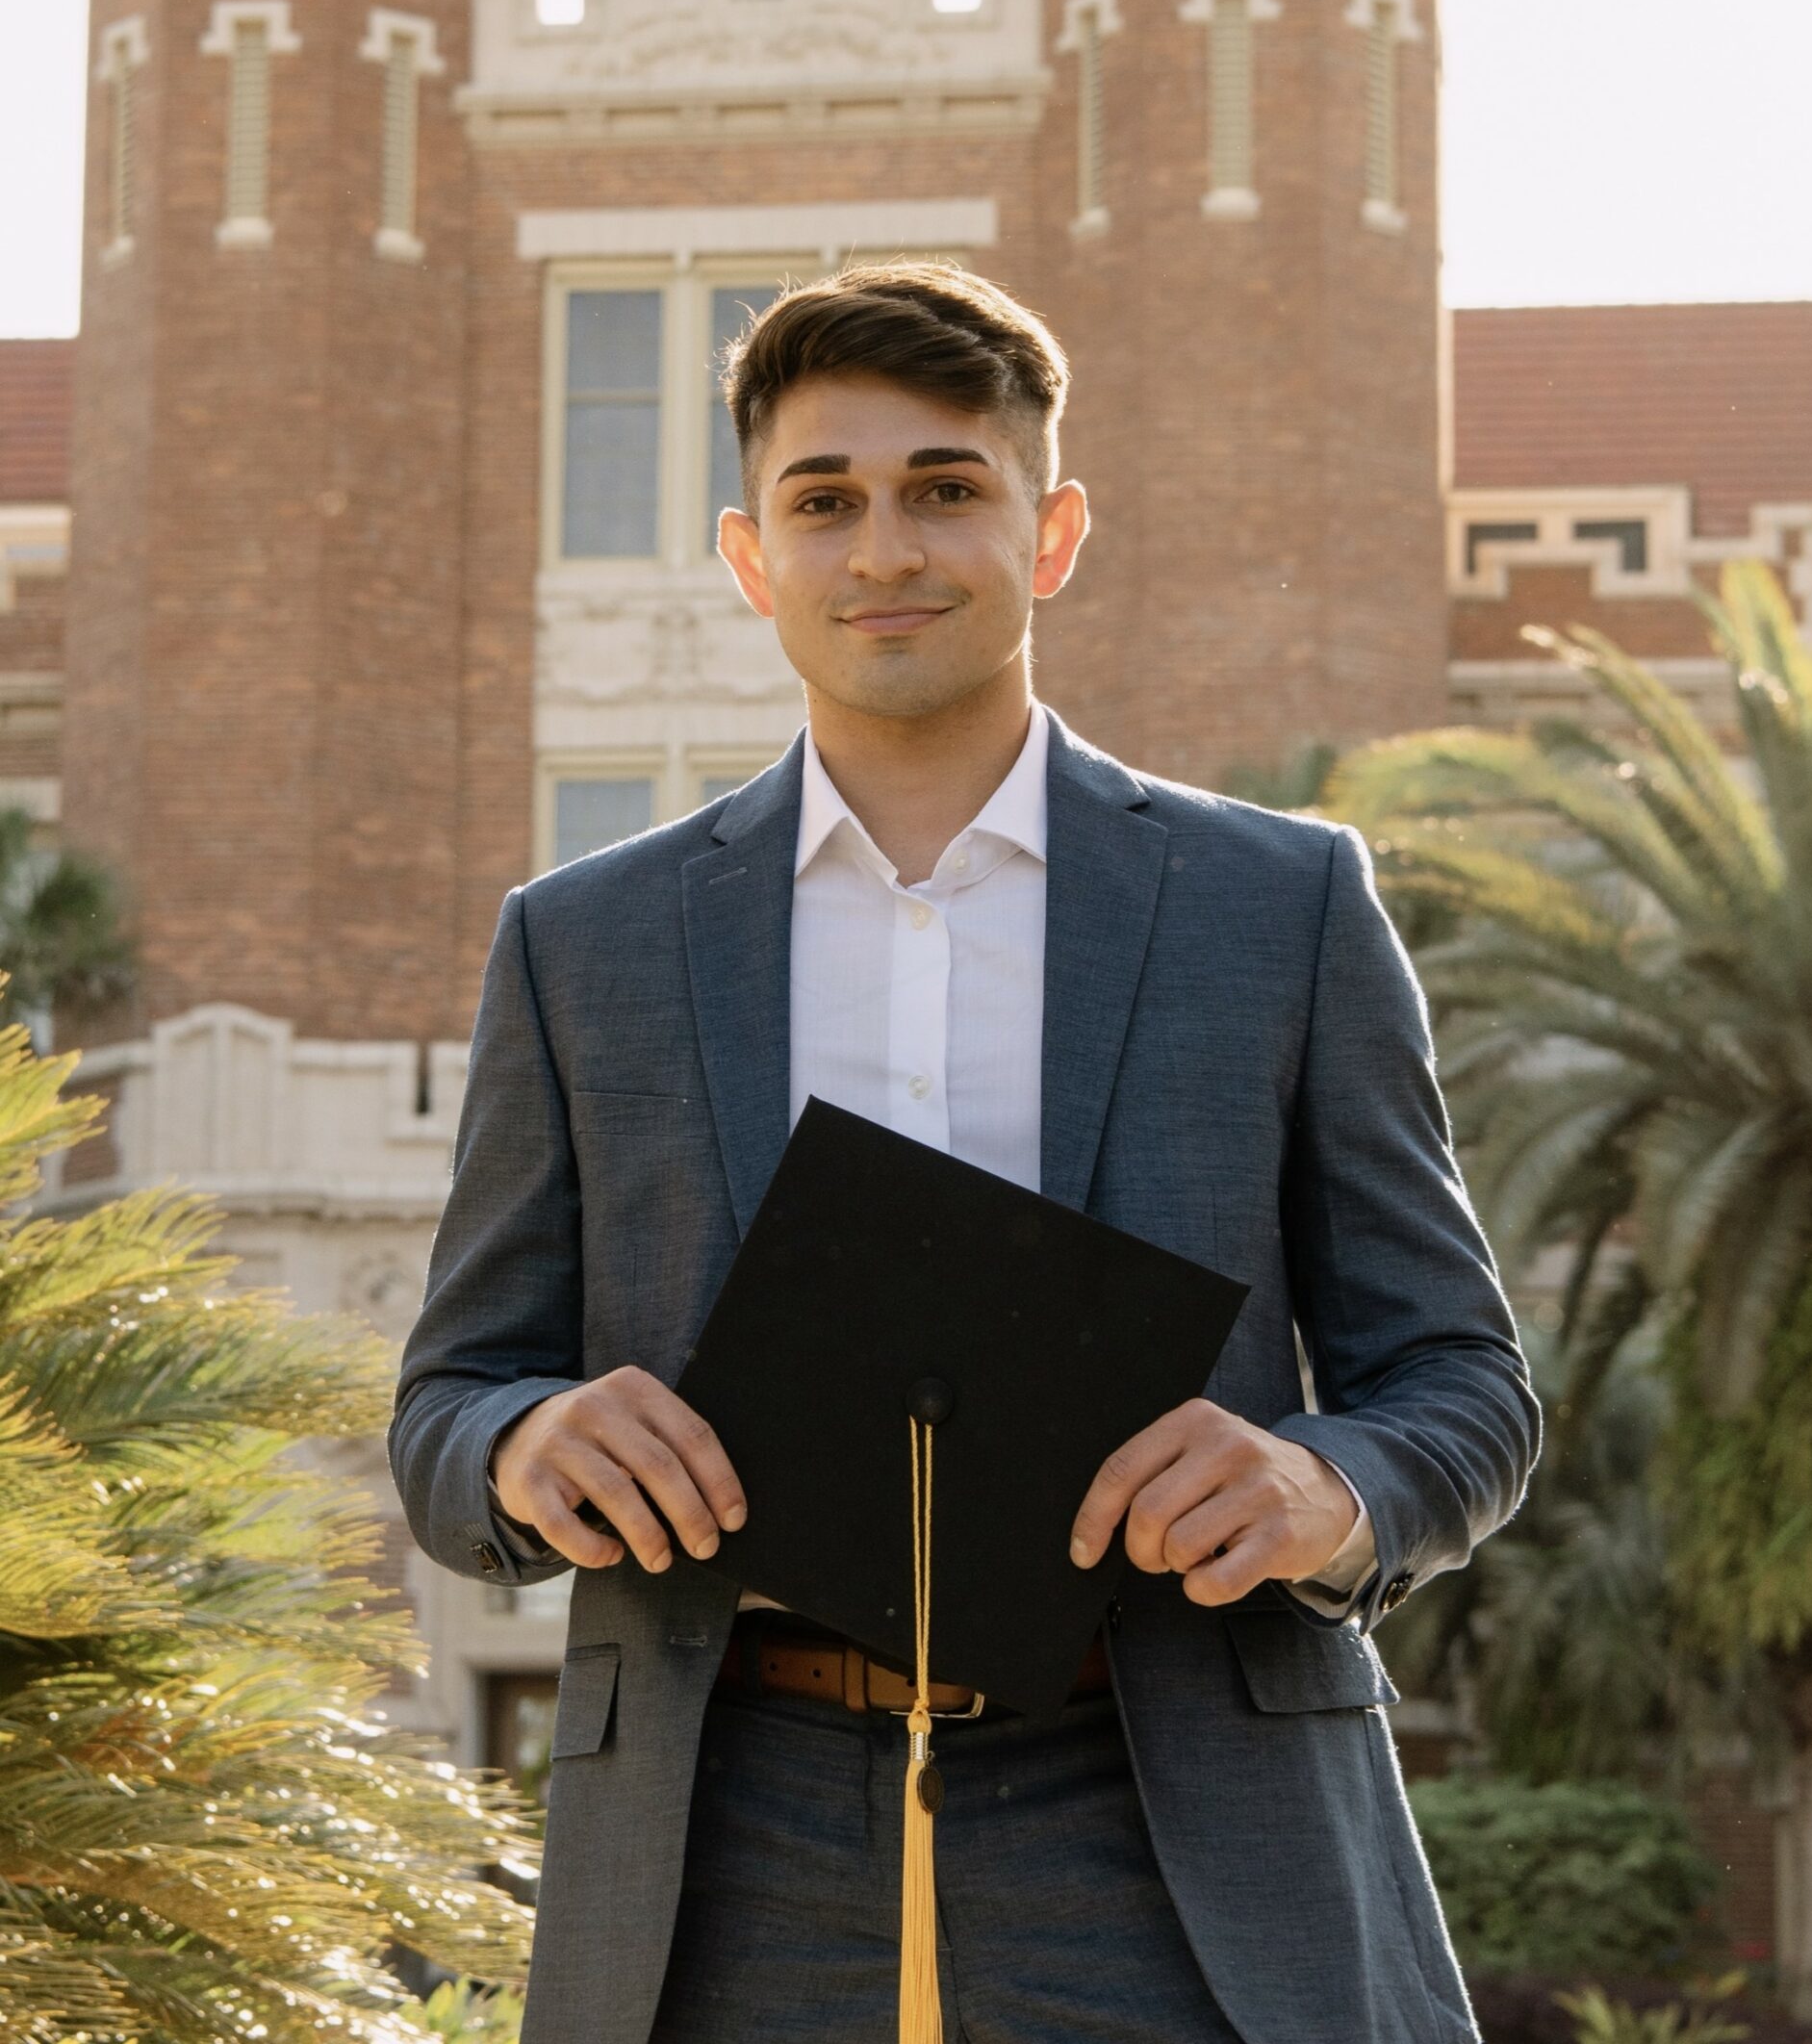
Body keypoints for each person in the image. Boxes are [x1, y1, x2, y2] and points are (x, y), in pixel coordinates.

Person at [390, 262, 1540, 2044]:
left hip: (1167, 1793)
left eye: (946, 488)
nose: (883, 550)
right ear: (749, 554)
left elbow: (1460, 1384)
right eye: (823, 501)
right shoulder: (582, 942)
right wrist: (525, 1440)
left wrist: (1327, 1492)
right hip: (726, 1815)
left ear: (1051, 529)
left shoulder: (1279, 906)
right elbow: (448, 1404)